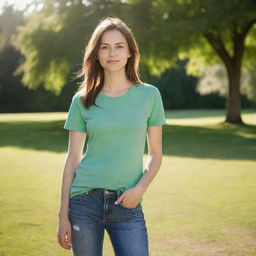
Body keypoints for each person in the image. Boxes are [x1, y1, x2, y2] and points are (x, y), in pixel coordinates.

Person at [57, 16, 167, 256]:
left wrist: (140, 189)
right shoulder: (82, 100)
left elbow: (156, 155)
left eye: (119, 46)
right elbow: (72, 160)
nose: (111, 53)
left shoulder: (149, 95)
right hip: (84, 202)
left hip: (127, 204)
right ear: (96, 54)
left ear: (130, 52)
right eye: (104, 47)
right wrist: (62, 215)